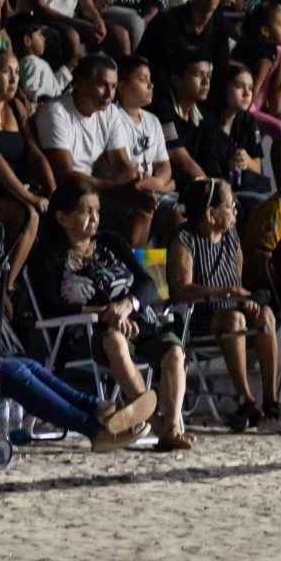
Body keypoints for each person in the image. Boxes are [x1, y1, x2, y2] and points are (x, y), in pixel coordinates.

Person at [30, 181, 195, 450]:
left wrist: (128, 304)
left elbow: (147, 284)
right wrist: (105, 313)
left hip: (139, 322)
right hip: (89, 333)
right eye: (86, 212)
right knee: (115, 340)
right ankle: (156, 424)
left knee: (174, 352)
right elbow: (51, 307)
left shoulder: (111, 242)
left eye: (97, 210)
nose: (95, 218)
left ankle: (173, 426)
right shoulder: (48, 257)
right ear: (61, 218)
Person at [165, 176, 281, 429]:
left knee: (265, 314)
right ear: (210, 214)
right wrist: (226, 293)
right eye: (230, 206)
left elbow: (236, 281)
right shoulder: (184, 239)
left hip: (231, 312)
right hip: (199, 318)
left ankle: (271, 400)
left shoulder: (231, 235)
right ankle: (245, 400)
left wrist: (242, 300)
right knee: (234, 319)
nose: (235, 211)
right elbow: (180, 291)